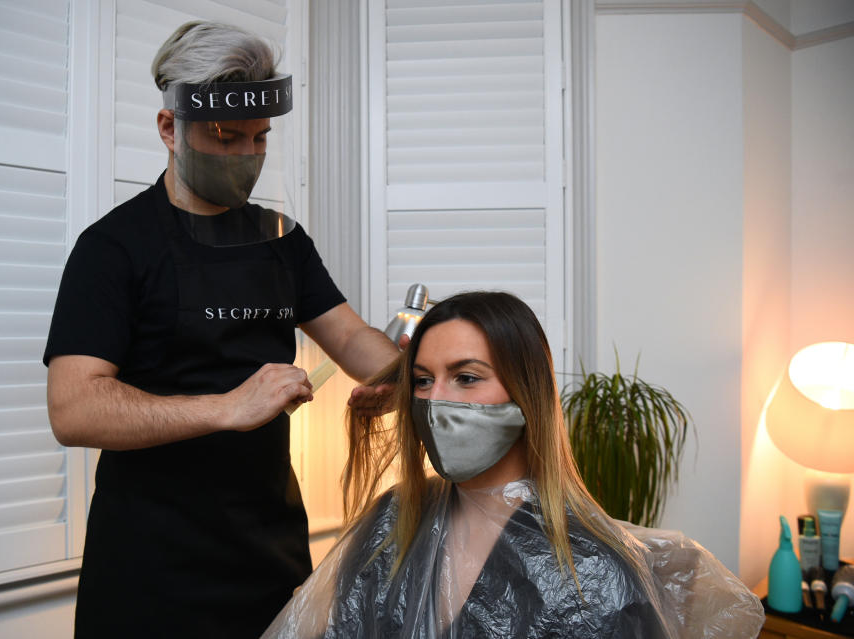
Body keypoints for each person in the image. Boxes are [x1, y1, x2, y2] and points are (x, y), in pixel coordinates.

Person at [43, 21, 399, 638]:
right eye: (226, 138)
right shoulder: (112, 249)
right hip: (150, 571)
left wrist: (406, 373)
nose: (245, 158)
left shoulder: (281, 241)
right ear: (168, 129)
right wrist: (226, 407)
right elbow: (73, 409)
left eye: (259, 138)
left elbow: (352, 339)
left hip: (269, 554)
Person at [261, 291, 764, 638]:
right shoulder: (391, 519)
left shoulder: (597, 570)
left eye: (466, 377)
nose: (436, 401)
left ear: (527, 393)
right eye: (421, 380)